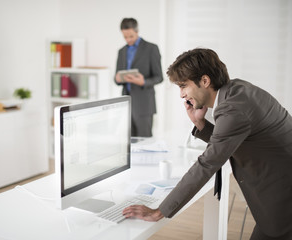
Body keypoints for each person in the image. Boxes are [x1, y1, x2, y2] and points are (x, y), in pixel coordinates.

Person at [122, 48, 292, 239]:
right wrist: (200, 123)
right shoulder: (236, 91)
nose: (181, 95)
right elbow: (225, 143)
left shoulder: (233, 109)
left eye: (183, 86)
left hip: (283, 198)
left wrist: (159, 211)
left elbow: (208, 163)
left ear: (204, 81)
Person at [115, 18, 163, 137]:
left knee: (145, 142)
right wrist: (117, 79)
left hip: (144, 105)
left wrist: (143, 81)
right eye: (125, 37)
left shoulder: (151, 48)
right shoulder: (122, 51)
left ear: (137, 31)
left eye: (131, 36)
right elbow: (116, 76)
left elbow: (159, 77)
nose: (128, 40)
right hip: (126, 103)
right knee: (129, 143)